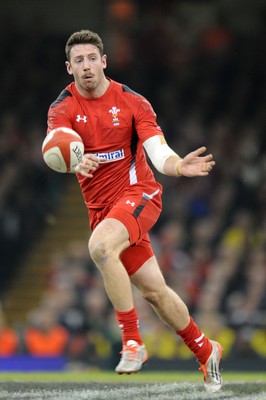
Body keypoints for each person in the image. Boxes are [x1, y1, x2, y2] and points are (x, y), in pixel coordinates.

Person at [46, 29, 223, 392]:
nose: (87, 66)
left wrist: (177, 166)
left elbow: (158, 151)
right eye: (78, 61)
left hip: (139, 195)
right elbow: (52, 144)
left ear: (104, 61)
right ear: (69, 68)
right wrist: (69, 162)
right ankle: (205, 349)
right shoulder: (62, 108)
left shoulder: (132, 102)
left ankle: (132, 341)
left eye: (92, 58)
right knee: (155, 291)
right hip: (102, 211)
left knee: (100, 247)